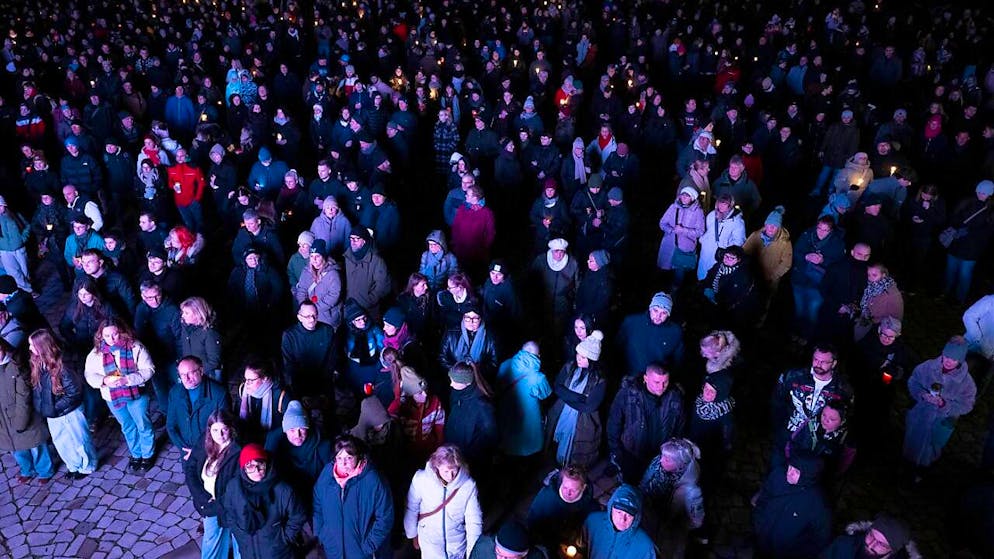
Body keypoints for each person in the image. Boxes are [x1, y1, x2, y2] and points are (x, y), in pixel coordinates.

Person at [83, 318, 156, 472]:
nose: (111, 339)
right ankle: (136, 454)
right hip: (113, 396)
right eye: (107, 336)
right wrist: (104, 380)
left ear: (121, 332)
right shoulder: (96, 353)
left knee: (143, 424)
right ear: (101, 336)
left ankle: (148, 454)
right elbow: (89, 374)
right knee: (127, 426)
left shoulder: (136, 347)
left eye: (115, 334)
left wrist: (127, 380)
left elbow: (149, 369)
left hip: (136, 394)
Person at [903, 336, 977, 480]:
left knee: (930, 450)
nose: (949, 361)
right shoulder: (928, 367)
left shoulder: (966, 382)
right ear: (943, 353)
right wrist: (922, 394)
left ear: (960, 360)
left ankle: (921, 474)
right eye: (947, 356)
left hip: (942, 421)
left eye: (954, 359)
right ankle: (905, 470)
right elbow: (913, 381)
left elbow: (967, 405)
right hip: (920, 415)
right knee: (911, 445)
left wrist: (945, 405)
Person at [28, 330, 98, 480]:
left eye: (32, 345)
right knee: (62, 442)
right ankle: (73, 466)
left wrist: (55, 408)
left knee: (80, 440)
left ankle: (87, 466)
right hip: (52, 413)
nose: (30, 348)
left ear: (42, 346)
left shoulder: (63, 364)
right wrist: (45, 409)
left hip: (68, 411)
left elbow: (74, 392)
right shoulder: (37, 363)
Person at [313, 435, 394, 559]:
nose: (343, 463)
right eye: (339, 458)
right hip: (333, 549)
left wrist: (369, 545)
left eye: (349, 458)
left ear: (358, 456)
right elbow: (317, 503)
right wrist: (322, 533)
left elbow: (385, 517)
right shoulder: (327, 474)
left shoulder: (373, 480)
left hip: (360, 552)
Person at [220, 443, 306, 559]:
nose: (256, 470)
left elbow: (298, 515)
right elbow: (229, 512)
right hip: (248, 550)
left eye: (260, 464)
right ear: (243, 469)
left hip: (277, 552)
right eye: (250, 466)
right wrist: (239, 535)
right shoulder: (234, 487)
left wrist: (284, 538)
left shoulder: (282, 490)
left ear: (267, 463)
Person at [608, 362, 686, 484]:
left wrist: (672, 452)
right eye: (656, 382)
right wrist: (616, 451)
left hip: (660, 456)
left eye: (665, 382)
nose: (661, 387)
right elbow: (614, 423)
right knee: (631, 484)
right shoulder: (628, 394)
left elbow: (680, 426)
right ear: (646, 378)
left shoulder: (675, 397)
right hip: (632, 454)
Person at [404, 444, 483, 559]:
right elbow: (411, 508)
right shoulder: (421, 479)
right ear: (437, 466)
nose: (450, 476)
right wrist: (412, 535)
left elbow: (474, 521)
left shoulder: (468, 485)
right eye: (446, 471)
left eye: (454, 471)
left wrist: (473, 553)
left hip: (456, 547)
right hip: (430, 546)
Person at [771, 345, 853, 452]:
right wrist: (780, 427)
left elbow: (844, 418)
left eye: (824, 362)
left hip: (818, 442)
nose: (818, 364)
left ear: (834, 363)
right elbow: (777, 402)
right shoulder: (793, 376)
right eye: (816, 359)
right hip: (787, 434)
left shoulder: (842, 389)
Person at [183, 410, 241, 559]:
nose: (219, 435)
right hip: (209, 504)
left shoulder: (238, 450)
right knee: (212, 543)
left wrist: (214, 505)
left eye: (224, 430)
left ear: (230, 429)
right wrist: (203, 498)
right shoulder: (204, 440)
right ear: (209, 430)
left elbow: (238, 488)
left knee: (240, 545)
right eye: (215, 430)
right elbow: (190, 468)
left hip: (230, 507)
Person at [752, 452, 832, 559]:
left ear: (807, 475)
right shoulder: (777, 476)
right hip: (762, 543)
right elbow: (763, 499)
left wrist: (796, 553)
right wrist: (759, 525)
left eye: (796, 471)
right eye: (790, 467)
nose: (789, 473)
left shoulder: (818, 504)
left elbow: (821, 538)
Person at [547, 331, 606, 469]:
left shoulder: (599, 380)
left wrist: (566, 396)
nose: (579, 358)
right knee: (555, 442)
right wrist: (579, 398)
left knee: (576, 450)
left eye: (583, 357)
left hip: (583, 422)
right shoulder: (570, 366)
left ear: (592, 359)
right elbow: (557, 386)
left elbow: (589, 407)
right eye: (578, 354)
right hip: (561, 412)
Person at [638, 438, 705, 558]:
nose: (661, 460)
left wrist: (678, 526)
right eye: (662, 455)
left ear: (679, 465)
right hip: (649, 511)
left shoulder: (691, 491)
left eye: (667, 459)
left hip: (668, 526)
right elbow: (645, 480)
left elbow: (697, 520)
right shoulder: (658, 462)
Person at [0, 338, 53, 485]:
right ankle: (26, 470)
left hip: (22, 413)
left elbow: (23, 396)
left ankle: (44, 470)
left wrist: (20, 420)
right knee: (16, 448)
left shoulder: (16, 366)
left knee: (36, 445)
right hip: (3, 419)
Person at [166, 356, 230, 461]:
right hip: (186, 453)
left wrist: (199, 451)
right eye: (182, 375)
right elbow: (171, 426)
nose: (186, 379)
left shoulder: (219, 393)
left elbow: (224, 431)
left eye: (190, 373)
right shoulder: (175, 392)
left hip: (210, 453)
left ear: (201, 371)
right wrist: (183, 449)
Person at [496, 341, 552, 460]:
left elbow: (498, 385)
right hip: (529, 423)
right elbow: (546, 395)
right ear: (538, 356)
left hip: (506, 416)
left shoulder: (505, 365)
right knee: (527, 454)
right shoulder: (538, 377)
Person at [274, 400, 332, 509]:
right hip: (292, 501)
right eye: (292, 430)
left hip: (318, 497)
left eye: (302, 429)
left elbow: (329, 478)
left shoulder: (323, 446)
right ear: (285, 431)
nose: (297, 435)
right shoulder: (279, 448)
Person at [526, 465, 598, 552]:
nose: (567, 493)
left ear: (583, 487)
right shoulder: (546, 497)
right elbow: (532, 520)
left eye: (573, 490)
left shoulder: (589, 504)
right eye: (565, 487)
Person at [445, 361, 498, 477]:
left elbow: (491, 435)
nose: (451, 384)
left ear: (467, 383)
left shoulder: (482, 406)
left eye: (455, 381)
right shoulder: (457, 392)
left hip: (471, 457)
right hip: (455, 451)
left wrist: (473, 451)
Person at [388, 366, 446, 466]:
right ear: (410, 394)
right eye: (419, 393)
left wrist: (438, 449)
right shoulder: (397, 408)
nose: (425, 395)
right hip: (406, 455)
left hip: (429, 452)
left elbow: (439, 426)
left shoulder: (435, 402)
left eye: (425, 390)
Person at [616, 292, 685, 375]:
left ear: (668, 314)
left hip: (655, 379)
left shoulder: (675, 331)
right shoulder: (631, 322)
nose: (658, 316)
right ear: (650, 308)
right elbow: (617, 347)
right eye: (655, 310)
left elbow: (677, 360)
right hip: (628, 376)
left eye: (664, 313)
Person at [582, 484, 657, 559]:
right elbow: (581, 548)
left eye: (629, 515)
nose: (622, 519)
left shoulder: (645, 546)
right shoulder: (592, 522)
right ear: (611, 508)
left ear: (636, 517)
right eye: (619, 512)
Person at [281, 301, 337, 399]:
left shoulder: (327, 330)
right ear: (299, 317)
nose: (312, 319)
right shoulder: (289, 335)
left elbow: (331, 359)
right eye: (307, 316)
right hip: (300, 383)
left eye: (314, 315)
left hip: (323, 381)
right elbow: (288, 364)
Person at [236, 359, 290, 448]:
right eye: (245, 379)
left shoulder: (281, 396)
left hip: (273, 443)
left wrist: (271, 439)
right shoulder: (243, 390)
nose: (246, 384)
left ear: (265, 378)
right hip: (249, 440)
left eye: (251, 380)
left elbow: (289, 426)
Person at [292, 239, 343, 329]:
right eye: (312, 256)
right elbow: (302, 290)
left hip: (326, 316)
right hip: (309, 315)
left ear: (323, 257)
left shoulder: (333, 274)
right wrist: (305, 308)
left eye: (317, 256)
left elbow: (334, 295)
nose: (314, 260)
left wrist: (315, 308)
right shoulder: (306, 271)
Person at [439, 307, 499, 381]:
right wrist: (458, 372)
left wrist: (475, 373)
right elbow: (442, 357)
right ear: (463, 317)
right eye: (467, 317)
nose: (471, 322)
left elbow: (494, 362)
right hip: (454, 378)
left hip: (479, 379)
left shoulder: (490, 336)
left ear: (480, 318)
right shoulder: (451, 332)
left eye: (475, 318)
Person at [696, 193, 746, 281]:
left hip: (721, 255)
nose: (721, 206)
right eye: (720, 202)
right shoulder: (711, 215)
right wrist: (704, 240)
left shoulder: (737, 222)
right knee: (702, 273)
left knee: (715, 277)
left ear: (730, 205)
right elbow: (707, 230)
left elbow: (739, 241)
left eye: (725, 204)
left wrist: (725, 248)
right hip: (706, 251)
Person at [820, 514, 917, 559]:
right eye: (871, 535)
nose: (870, 545)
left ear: (892, 550)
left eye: (881, 544)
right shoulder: (844, 544)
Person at [852, 263, 904, 342]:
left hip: (880, 326)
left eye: (874, 275)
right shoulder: (871, 286)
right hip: (866, 319)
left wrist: (873, 320)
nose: (870, 278)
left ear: (883, 275)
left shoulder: (891, 292)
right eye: (868, 275)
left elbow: (897, 317)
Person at [179, 297, 224, 383]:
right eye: (183, 312)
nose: (182, 316)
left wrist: (195, 372)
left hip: (207, 376)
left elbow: (214, 361)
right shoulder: (186, 328)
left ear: (198, 314)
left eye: (187, 313)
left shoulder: (210, 333)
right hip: (192, 374)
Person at [0, 196, 34, 293]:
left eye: (0, 206)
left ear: (4, 205)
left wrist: (22, 239)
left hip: (19, 248)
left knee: (25, 271)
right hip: (5, 250)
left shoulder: (14, 215)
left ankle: (28, 287)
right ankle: (29, 291)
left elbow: (27, 226)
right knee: (14, 273)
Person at [469, 519, 546, 559]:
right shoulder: (482, 549)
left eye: (508, 558)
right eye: (499, 553)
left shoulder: (538, 556)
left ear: (524, 555)